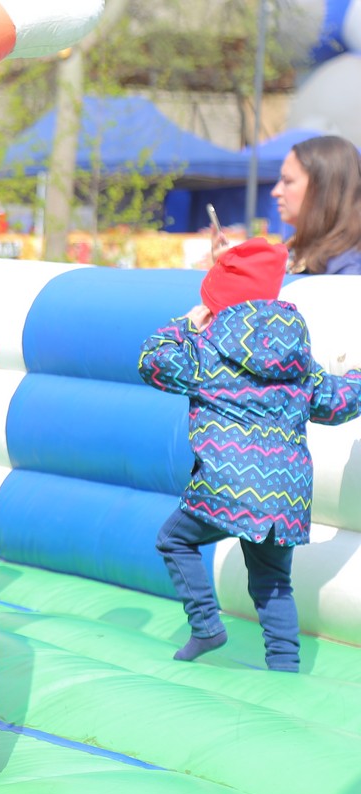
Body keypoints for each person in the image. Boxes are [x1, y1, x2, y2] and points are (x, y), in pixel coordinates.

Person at [138, 239, 361, 672]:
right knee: (273, 583)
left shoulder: (207, 353)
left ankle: (206, 625)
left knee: (174, 540)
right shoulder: (297, 360)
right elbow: (336, 404)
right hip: (285, 494)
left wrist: (186, 323)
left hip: (227, 485)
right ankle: (285, 667)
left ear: (218, 303)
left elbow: (152, 361)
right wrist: (355, 375)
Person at [213, 135, 361, 274]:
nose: (275, 192)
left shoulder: (350, 268)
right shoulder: (296, 252)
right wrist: (230, 271)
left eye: (287, 181)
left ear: (322, 188)